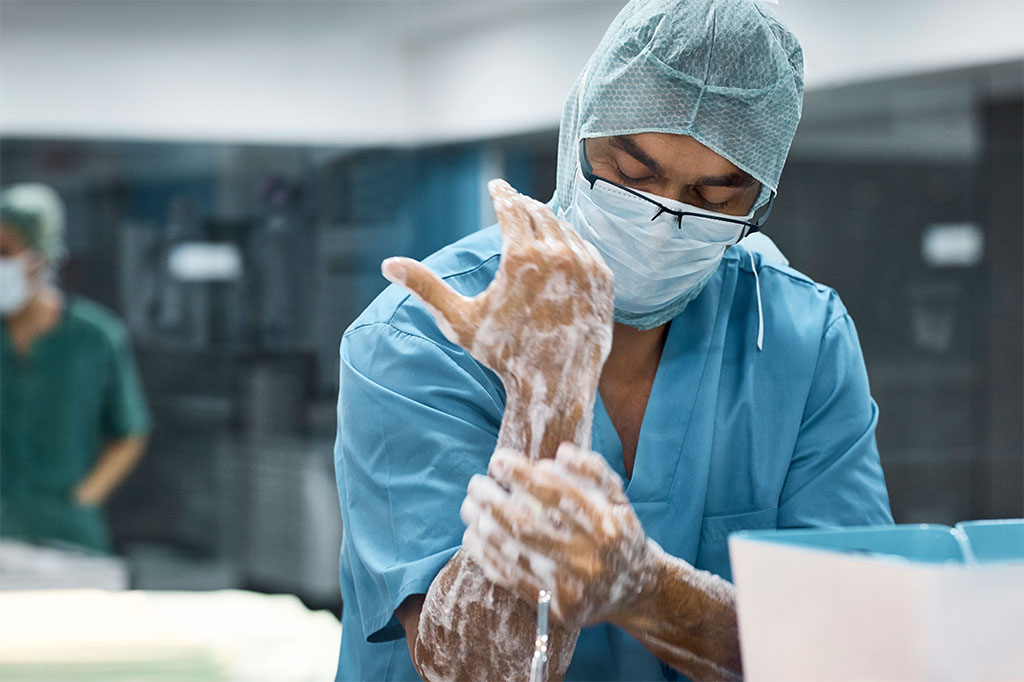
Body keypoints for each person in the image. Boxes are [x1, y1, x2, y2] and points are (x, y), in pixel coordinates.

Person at [333, 0, 892, 679]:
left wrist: (647, 592)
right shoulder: (421, 335)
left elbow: (856, 648)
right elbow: (475, 664)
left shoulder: (800, 339)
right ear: (577, 138)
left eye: (714, 199)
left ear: (760, 202)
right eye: (632, 175)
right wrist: (549, 396)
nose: (663, 220)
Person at [1, 183, 151, 554]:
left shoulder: (95, 337)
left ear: (40, 256)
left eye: (5, 251)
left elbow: (130, 432)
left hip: (69, 537)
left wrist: (83, 499)